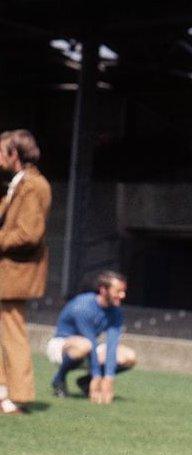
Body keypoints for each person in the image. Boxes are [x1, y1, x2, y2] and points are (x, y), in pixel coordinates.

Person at [0, 129, 52, 416]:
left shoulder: (34, 186)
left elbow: (28, 234)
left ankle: (18, 397)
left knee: (12, 334)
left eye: (0, 151)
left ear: (14, 154)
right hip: (7, 272)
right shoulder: (19, 184)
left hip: (16, 274)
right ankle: (4, 394)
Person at [48, 270, 137, 404]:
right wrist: (97, 376)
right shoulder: (83, 306)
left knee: (129, 357)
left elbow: (112, 344)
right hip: (62, 346)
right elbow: (89, 340)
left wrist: (108, 378)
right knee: (85, 345)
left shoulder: (116, 311)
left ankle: (85, 382)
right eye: (118, 291)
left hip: (90, 346)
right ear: (103, 290)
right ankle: (59, 378)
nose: (122, 295)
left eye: (123, 291)